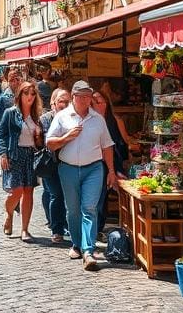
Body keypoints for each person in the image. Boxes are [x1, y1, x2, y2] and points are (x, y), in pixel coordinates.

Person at [46, 80, 117, 271]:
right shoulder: (62, 117)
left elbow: (107, 146)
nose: (87, 100)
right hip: (68, 168)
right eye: (82, 96)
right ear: (74, 97)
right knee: (73, 210)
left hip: (93, 169)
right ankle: (76, 244)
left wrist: (111, 171)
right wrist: (66, 137)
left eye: (89, 96)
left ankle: (88, 250)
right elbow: (50, 143)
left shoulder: (97, 119)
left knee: (89, 208)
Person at [0, 81, 43, 241]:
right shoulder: (10, 113)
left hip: (30, 156)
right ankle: (9, 213)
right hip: (14, 154)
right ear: (20, 95)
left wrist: (39, 136)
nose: (30, 96)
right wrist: (2, 154)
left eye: (32, 93)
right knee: (16, 191)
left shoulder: (37, 115)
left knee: (29, 191)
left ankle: (25, 229)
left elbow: (39, 142)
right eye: (26, 93)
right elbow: (1, 134)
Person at [92, 90, 130, 238]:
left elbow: (125, 141)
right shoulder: (90, 120)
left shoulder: (115, 119)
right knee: (98, 196)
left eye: (100, 101)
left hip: (114, 161)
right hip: (96, 162)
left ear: (107, 103)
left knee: (104, 195)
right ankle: (96, 228)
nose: (97, 104)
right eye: (94, 101)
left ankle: (98, 227)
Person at [40, 88, 71, 242]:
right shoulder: (46, 119)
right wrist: (67, 138)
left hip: (69, 163)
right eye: (61, 101)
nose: (64, 105)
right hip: (50, 163)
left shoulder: (73, 118)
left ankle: (65, 225)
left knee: (66, 196)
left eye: (67, 101)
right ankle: (56, 229)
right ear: (53, 103)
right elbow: (48, 142)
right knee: (56, 194)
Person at [0, 68, 22, 149]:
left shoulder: (25, 95)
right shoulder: (4, 97)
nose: (15, 82)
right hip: (8, 135)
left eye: (17, 79)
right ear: (8, 81)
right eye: (12, 80)